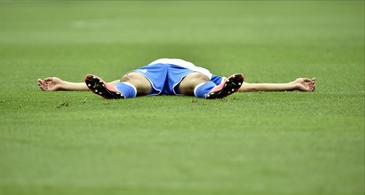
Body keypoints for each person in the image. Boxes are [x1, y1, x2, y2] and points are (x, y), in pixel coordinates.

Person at [37, 58, 315, 99]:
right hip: (189, 75)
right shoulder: (199, 69)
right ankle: (212, 91)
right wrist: (290, 84)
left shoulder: (198, 70)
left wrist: (292, 84)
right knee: (132, 79)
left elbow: (247, 86)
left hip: (153, 70)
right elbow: (250, 86)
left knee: (133, 80)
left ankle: (117, 91)